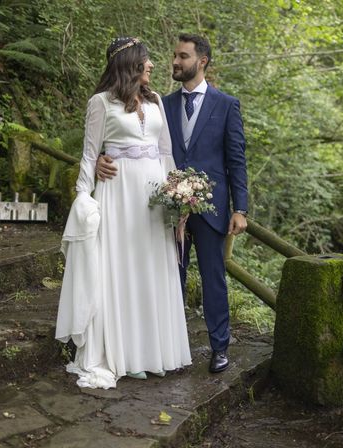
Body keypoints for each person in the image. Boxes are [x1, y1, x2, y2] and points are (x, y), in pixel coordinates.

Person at [97, 33, 248, 374]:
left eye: (183, 56)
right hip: (166, 208)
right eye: (175, 56)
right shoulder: (158, 102)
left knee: (213, 278)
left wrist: (240, 209)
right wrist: (98, 160)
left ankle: (219, 347)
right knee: (168, 279)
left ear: (202, 61)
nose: (175, 62)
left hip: (210, 209)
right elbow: (133, 142)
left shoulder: (226, 105)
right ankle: (167, 348)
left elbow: (236, 160)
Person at [55, 37, 192, 389]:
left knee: (152, 269)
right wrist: (82, 196)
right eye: (145, 61)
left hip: (155, 195)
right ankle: (126, 355)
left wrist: (179, 194)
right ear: (130, 64)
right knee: (124, 270)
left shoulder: (156, 100)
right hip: (120, 195)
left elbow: (165, 153)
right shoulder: (100, 103)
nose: (151, 66)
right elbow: (89, 154)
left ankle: (154, 353)